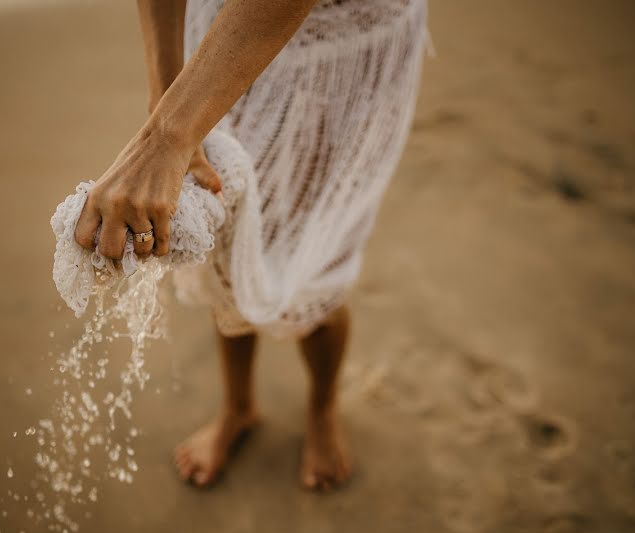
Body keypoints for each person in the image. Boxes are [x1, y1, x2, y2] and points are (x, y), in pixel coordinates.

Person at [75, 0, 427, 492]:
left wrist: (166, 138)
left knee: (314, 258)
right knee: (226, 244)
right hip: (223, 31)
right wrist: (166, 106)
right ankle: (238, 408)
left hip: (342, 43)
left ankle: (322, 408)